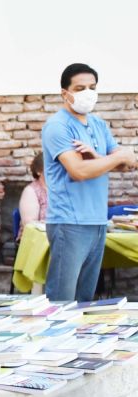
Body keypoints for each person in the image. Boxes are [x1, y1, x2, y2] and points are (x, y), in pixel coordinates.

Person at [42, 63, 137, 302]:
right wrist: (114, 158)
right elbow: (78, 171)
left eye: (92, 87)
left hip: (97, 221)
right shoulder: (58, 126)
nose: (88, 93)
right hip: (69, 222)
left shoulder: (98, 125)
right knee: (61, 301)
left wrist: (101, 158)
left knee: (85, 301)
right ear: (66, 93)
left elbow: (129, 164)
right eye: (80, 87)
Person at [16, 150, 48, 240]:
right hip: (35, 243)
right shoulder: (31, 191)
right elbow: (30, 225)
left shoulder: (62, 189)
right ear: (39, 171)